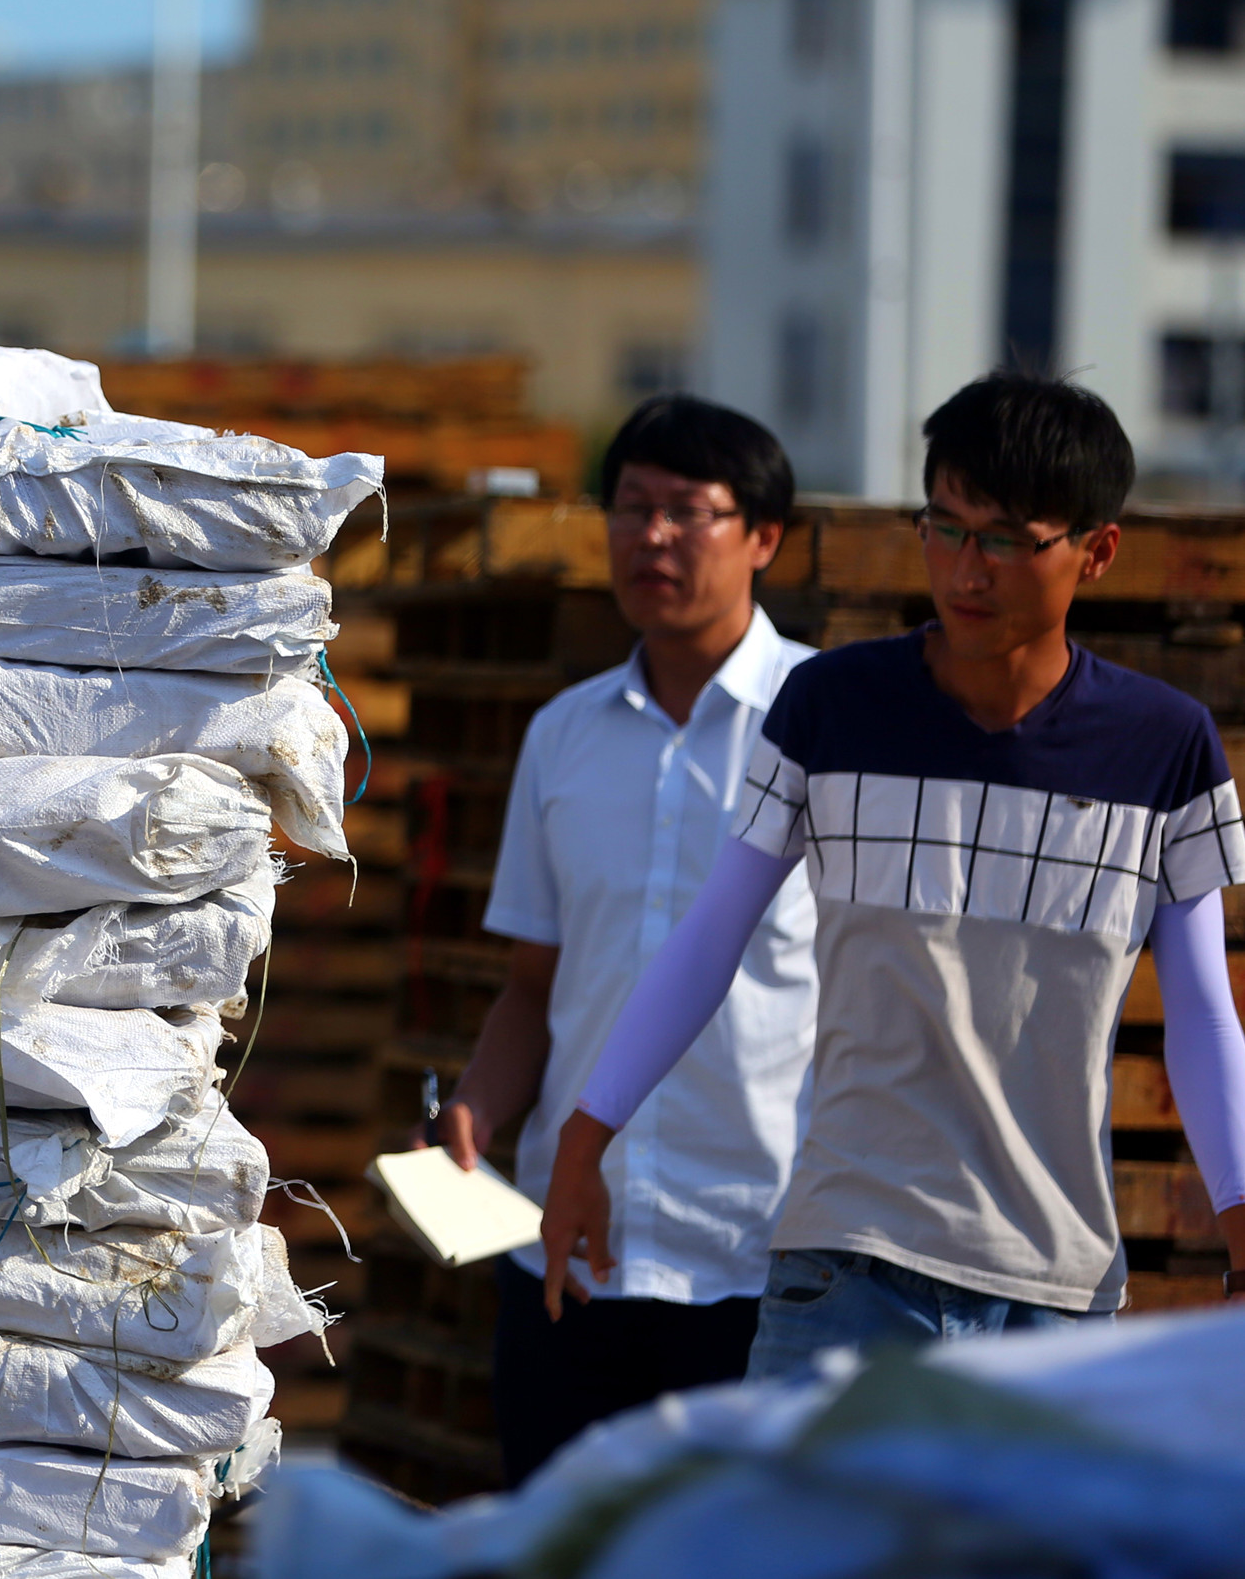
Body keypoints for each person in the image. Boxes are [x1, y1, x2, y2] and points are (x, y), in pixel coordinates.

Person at [540, 371, 1245, 1379]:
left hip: (1054, 1298)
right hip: (844, 1272)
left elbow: (1202, 1014)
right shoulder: (828, 708)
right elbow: (707, 943)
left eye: (1004, 538)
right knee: (799, 1546)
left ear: (1095, 552)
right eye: (943, 526)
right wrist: (584, 1135)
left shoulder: (1162, 748)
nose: (965, 568)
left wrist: (1237, 1218)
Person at [419, 393, 817, 1485]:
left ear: (763, 537)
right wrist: (477, 1107)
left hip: (757, 1264)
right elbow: (529, 987)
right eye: (630, 508)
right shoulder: (562, 735)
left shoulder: (826, 726)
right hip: (567, 1259)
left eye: (686, 511)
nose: (649, 537)